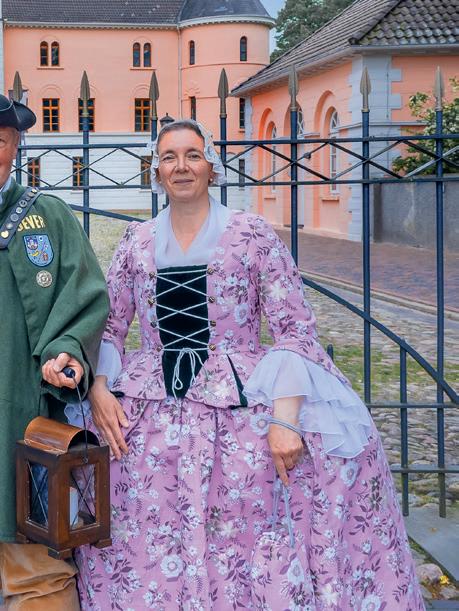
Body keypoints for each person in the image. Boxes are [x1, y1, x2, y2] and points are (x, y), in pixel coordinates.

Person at [76, 119, 424, 610]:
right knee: (136, 509)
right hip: (152, 403)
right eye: (169, 157)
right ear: (156, 170)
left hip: (238, 401)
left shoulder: (251, 234)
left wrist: (285, 420)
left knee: (252, 522)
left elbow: (294, 330)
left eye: (193, 155)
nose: (181, 166)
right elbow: (111, 327)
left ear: (211, 167)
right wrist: (100, 388)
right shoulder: (136, 241)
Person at [0, 94, 109, 609]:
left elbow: (84, 297)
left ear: (15, 145)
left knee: (37, 569)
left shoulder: (47, 217)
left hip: (22, 415)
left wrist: (65, 351)